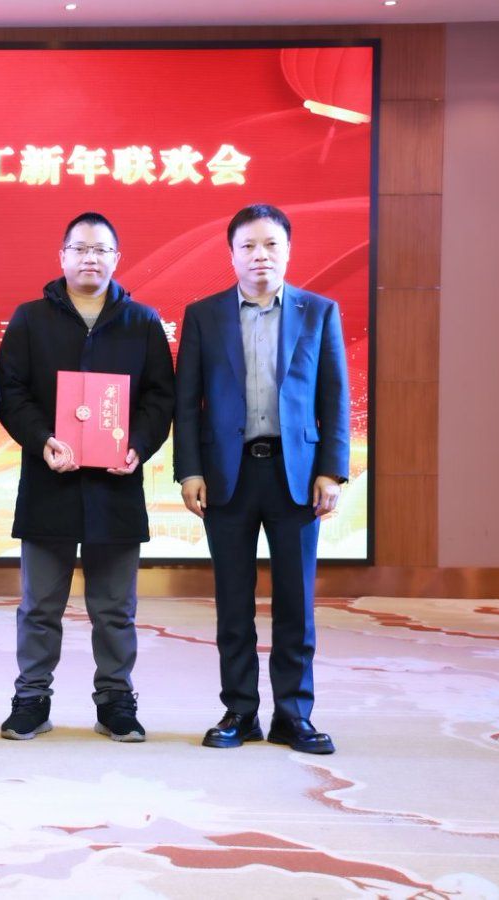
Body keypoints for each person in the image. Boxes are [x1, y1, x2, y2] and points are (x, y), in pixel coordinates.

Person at [173, 203, 350, 755]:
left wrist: (332, 471)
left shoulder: (318, 311)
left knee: (296, 602)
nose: (260, 256)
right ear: (231, 255)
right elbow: (187, 402)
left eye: (271, 244)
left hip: (296, 475)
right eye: (247, 246)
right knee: (233, 601)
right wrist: (189, 470)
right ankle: (240, 711)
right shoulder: (204, 315)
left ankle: (294, 715)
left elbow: (335, 397)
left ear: (288, 251)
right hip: (227, 475)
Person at [0, 212, 175, 743]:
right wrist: (41, 439)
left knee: (115, 608)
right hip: (49, 477)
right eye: (80, 248)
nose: (90, 258)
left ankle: (116, 700)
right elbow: (10, 392)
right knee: (39, 606)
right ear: (62, 257)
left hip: (115, 484)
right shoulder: (30, 319)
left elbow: (160, 397)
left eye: (101, 250)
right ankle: (31, 698)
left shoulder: (142, 321)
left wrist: (138, 444)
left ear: (117, 258)